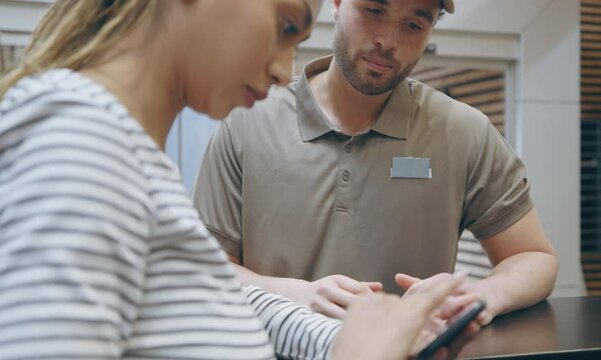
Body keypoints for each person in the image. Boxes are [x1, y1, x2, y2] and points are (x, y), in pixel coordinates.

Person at [0, 0, 480, 359]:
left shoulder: (118, 148)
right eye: (285, 27)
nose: (281, 70)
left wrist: (342, 338)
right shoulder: (82, 138)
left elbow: (208, 298)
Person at [192, 0, 559, 324]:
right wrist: (288, 295)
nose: (388, 41)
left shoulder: (463, 131)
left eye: (413, 24)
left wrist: (481, 296)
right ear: (336, 3)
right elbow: (202, 270)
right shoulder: (248, 120)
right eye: (374, 10)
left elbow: (534, 257)